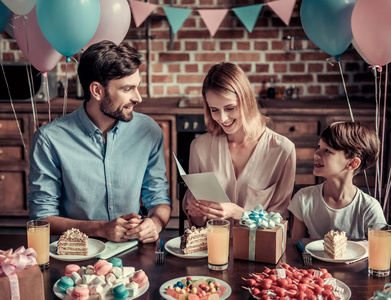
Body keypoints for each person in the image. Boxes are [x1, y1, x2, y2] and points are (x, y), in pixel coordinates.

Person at [28, 40, 171, 243]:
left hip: (132, 253)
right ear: (97, 91)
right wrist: (101, 228)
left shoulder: (149, 131)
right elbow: (41, 219)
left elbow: (158, 198)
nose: (138, 98)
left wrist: (155, 222)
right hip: (77, 255)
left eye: (137, 87)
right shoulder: (49, 139)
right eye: (127, 89)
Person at [182, 62, 296, 228]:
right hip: (213, 248)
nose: (222, 118)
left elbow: (279, 221)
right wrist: (196, 213)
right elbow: (197, 223)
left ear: (247, 100)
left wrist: (237, 212)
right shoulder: (199, 147)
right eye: (214, 110)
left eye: (230, 108)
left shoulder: (282, 150)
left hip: (259, 249)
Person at [288, 121, 386, 239]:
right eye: (319, 147)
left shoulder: (369, 209)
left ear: (352, 163)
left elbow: (378, 253)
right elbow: (296, 247)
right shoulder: (303, 198)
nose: (316, 154)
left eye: (327, 151)